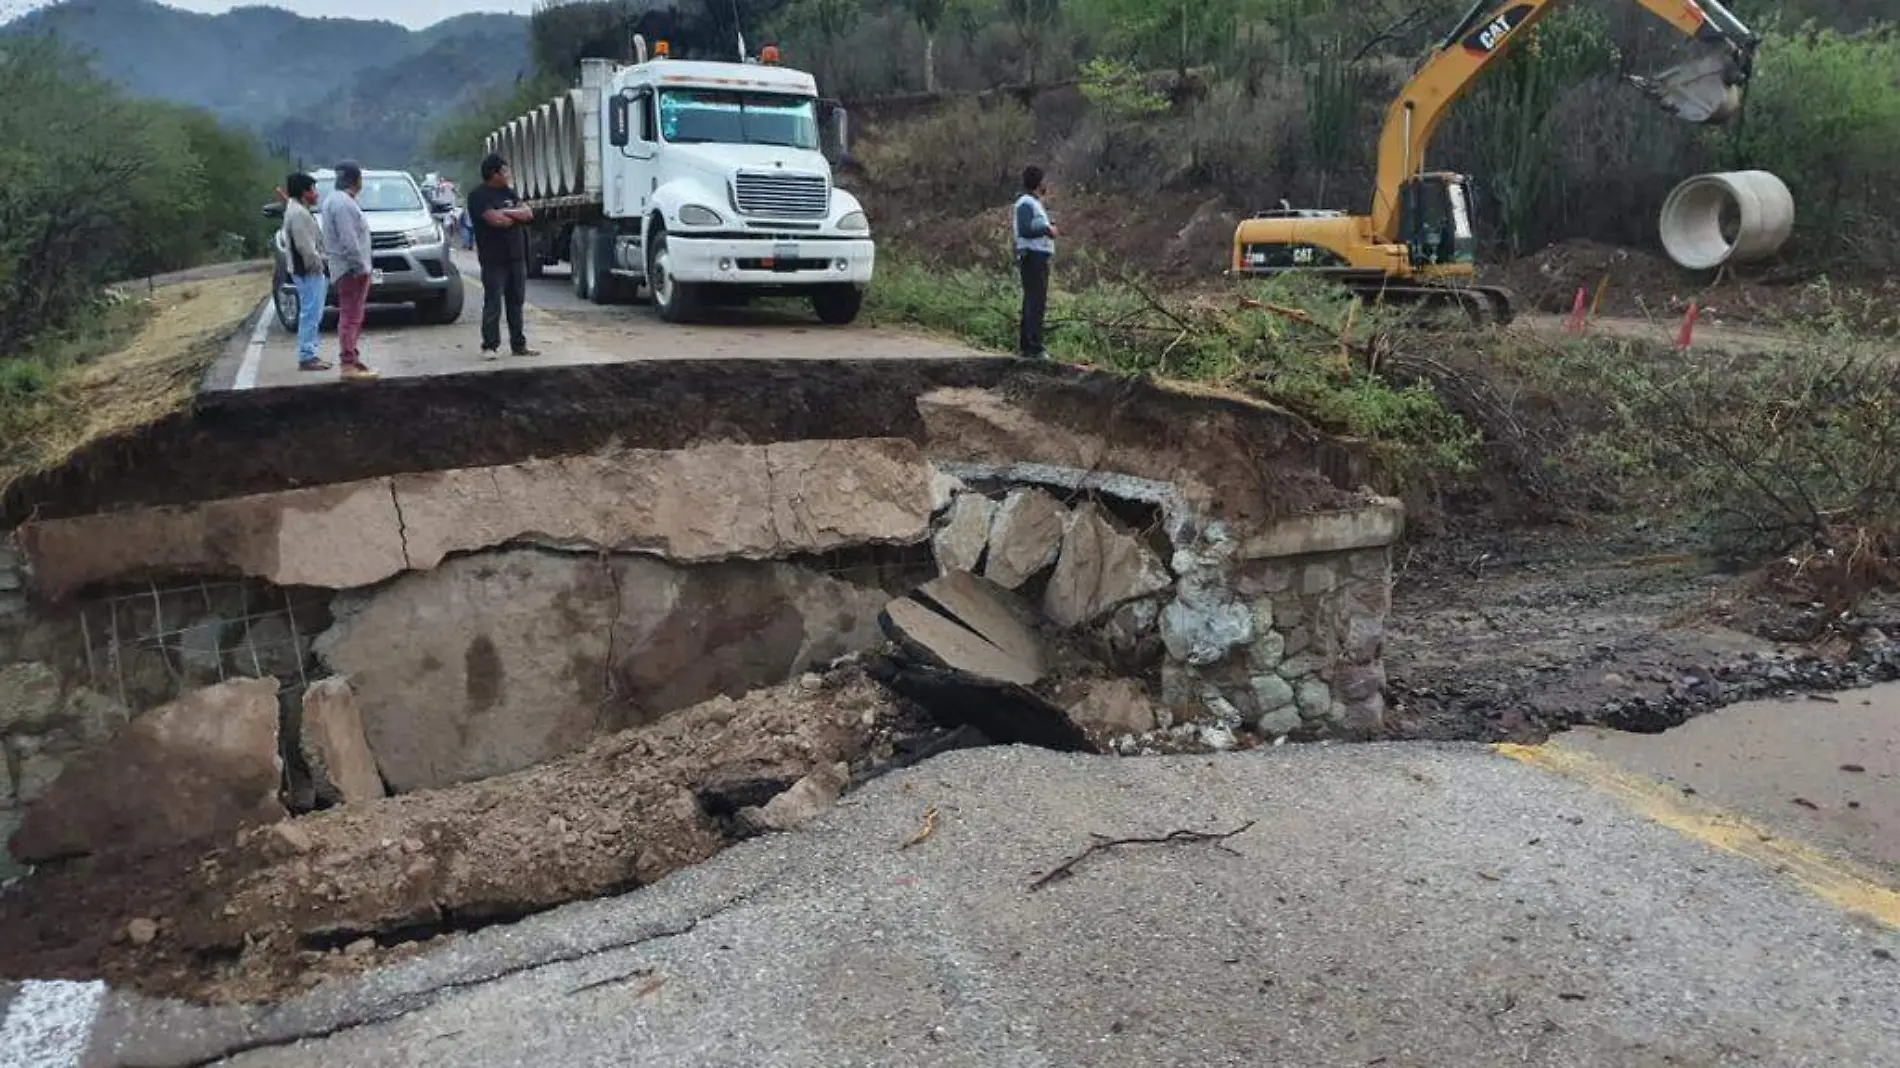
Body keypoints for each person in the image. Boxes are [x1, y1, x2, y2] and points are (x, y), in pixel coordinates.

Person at [467, 153, 539, 359]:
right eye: (505, 170)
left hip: (516, 256)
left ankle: (519, 344)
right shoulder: (478, 196)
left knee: (516, 302)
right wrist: (512, 214)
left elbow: (528, 213)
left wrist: (507, 212)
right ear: (494, 173)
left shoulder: (510, 192)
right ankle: (489, 345)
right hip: (493, 259)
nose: (509, 174)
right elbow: (495, 220)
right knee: (493, 302)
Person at [319, 161, 380, 380]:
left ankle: (352, 357)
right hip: (350, 269)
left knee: (352, 314)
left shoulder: (334, 201)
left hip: (345, 268)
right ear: (357, 180)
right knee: (351, 316)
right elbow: (349, 240)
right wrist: (359, 267)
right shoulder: (343, 204)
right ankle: (348, 363)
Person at [281, 172, 331, 372]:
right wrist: (319, 266)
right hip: (308, 271)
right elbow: (306, 248)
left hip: (306, 270)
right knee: (311, 313)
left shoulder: (296, 210)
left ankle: (310, 354)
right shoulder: (299, 214)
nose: (316, 194)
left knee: (312, 313)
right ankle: (307, 356)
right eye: (313, 189)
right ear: (304, 192)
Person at [1013, 165, 1059, 360]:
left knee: (1033, 301)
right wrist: (1047, 230)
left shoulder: (1033, 203)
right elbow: (1025, 229)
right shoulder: (1025, 203)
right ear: (1039, 183)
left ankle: (1028, 345)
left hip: (1037, 256)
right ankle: (1034, 347)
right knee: (1035, 302)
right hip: (1033, 256)